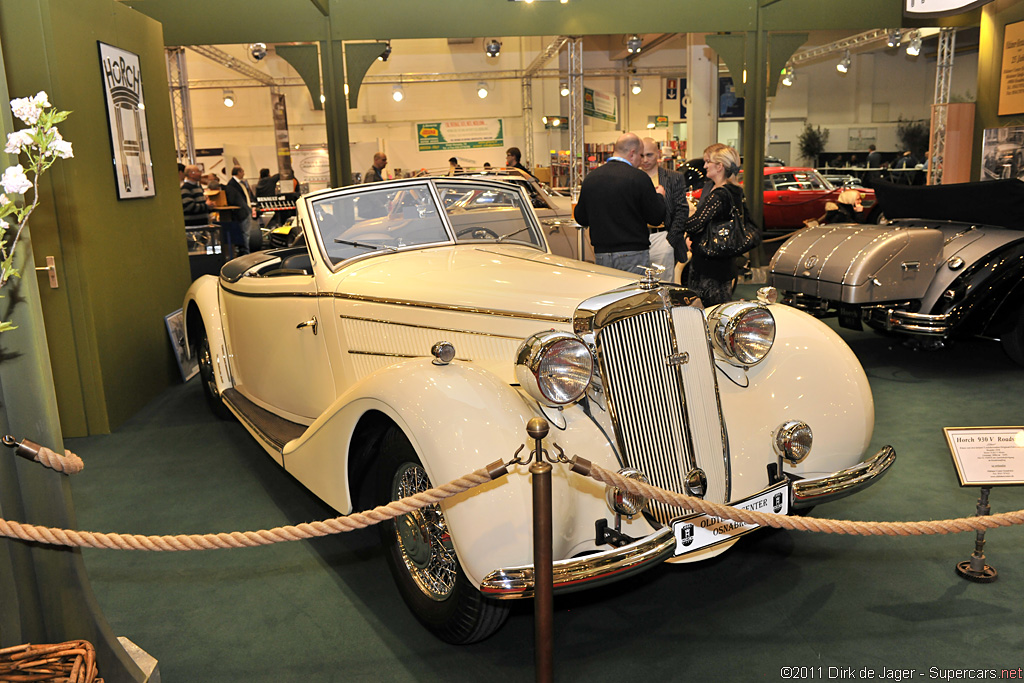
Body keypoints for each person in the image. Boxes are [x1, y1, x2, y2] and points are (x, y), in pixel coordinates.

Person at [573, 132, 666, 274]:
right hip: (633, 253)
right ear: (632, 153)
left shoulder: (592, 178)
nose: (641, 161)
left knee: (609, 295)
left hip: (601, 254)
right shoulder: (638, 178)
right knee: (632, 295)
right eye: (641, 155)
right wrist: (659, 197)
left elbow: (581, 218)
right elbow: (656, 217)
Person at [668, 145, 746, 306]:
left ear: (719, 166)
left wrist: (675, 212)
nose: (704, 166)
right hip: (722, 261)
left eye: (708, 162)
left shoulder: (719, 194)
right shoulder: (734, 191)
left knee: (707, 310)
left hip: (710, 265)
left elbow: (694, 223)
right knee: (718, 308)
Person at [639, 137, 688, 279]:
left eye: (649, 155)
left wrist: (670, 240)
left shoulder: (674, 177)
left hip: (662, 236)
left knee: (664, 285)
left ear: (658, 154)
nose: (645, 160)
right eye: (641, 155)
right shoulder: (633, 178)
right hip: (638, 238)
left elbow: (681, 209)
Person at [225, 166, 255, 254]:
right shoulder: (232, 185)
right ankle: (245, 253)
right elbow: (233, 200)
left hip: (245, 211)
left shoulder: (241, 183)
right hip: (241, 213)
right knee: (245, 234)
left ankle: (246, 251)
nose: (244, 174)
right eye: (243, 172)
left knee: (246, 234)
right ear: (238, 172)